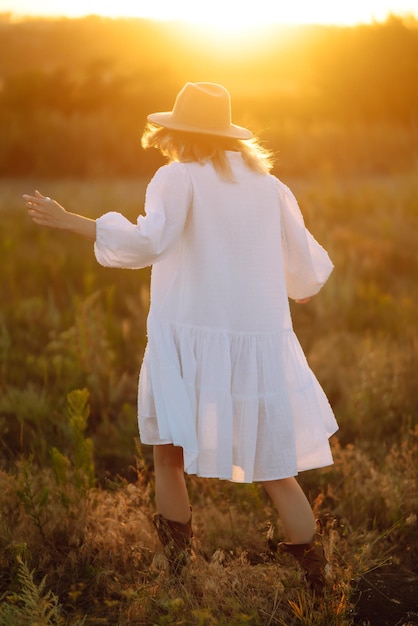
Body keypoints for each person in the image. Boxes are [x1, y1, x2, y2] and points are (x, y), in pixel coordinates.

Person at [23, 82, 338, 593]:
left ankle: (178, 578)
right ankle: (318, 585)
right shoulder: (268, 184)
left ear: (180, 133)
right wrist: (299, 287)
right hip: (254, 339)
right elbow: (301, 260)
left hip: (187, 336)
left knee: (168, 457)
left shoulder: (178, 178)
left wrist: (73, 222)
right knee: (276, 467)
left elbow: (149, 241)